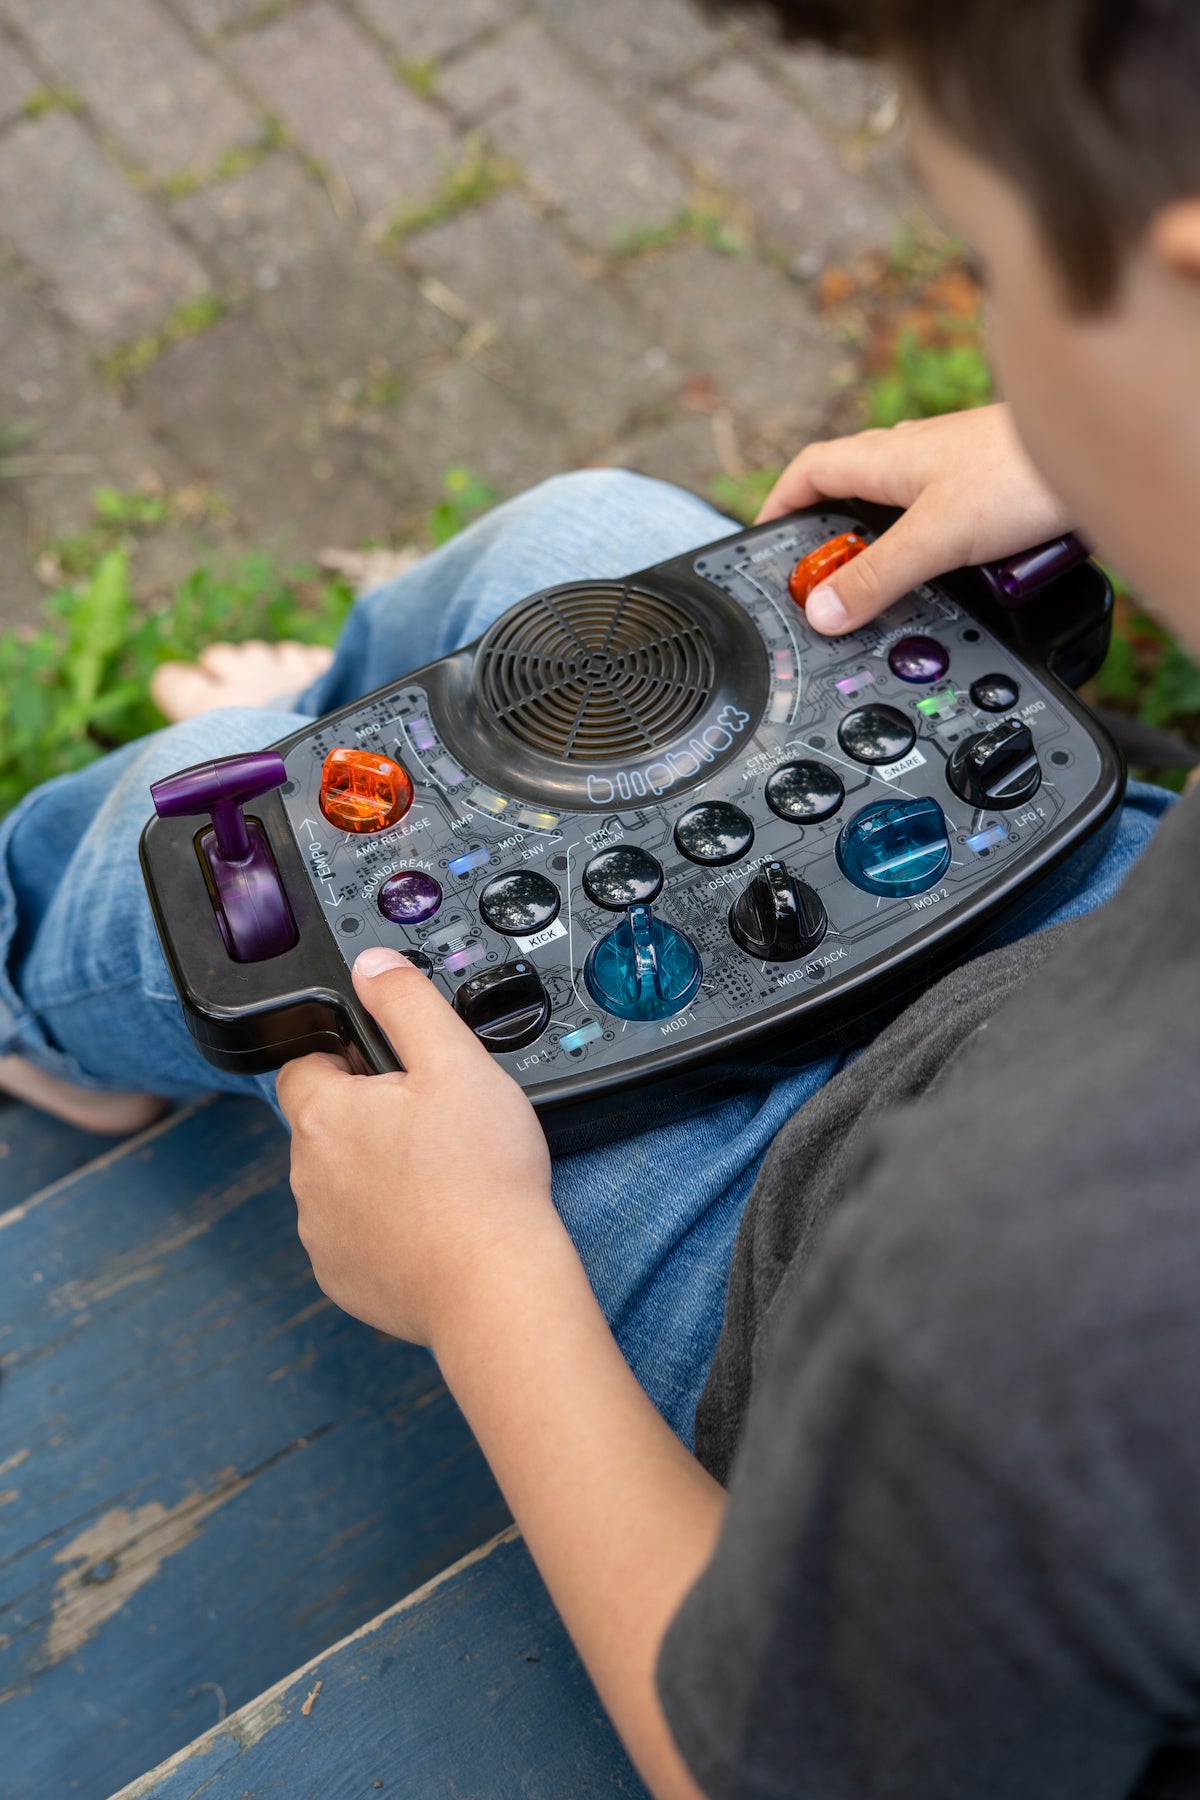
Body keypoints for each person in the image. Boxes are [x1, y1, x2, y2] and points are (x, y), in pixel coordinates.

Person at [1, 0, 1197, 1793]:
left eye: (992, 272)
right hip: (1081, 972)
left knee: (238, 840)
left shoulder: (1017, 1316)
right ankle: (311, 712)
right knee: (587, 539)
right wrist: (1096, 443)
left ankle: (43, 977)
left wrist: (480, 1278)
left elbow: (767, 1758)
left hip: (803, 1270)